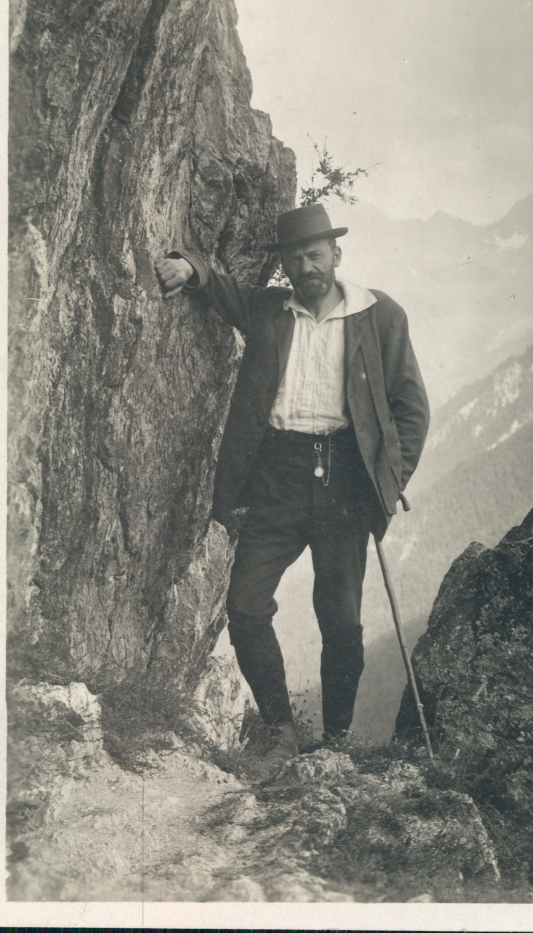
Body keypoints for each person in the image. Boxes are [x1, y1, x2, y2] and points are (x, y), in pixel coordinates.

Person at [155, 203, 429, 776]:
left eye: (315, 254)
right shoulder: (268, 310)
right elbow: (216, 284)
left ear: (336, 254)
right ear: (285, 265)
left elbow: (411, 409)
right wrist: (186, 265)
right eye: (295, 258)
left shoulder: (379, 317)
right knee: (246, 605)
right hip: (275, 478)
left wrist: (386, 480)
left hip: (346, 482)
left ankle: (334, 739)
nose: (306, 266)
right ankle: (280, 729)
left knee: (341, 619)